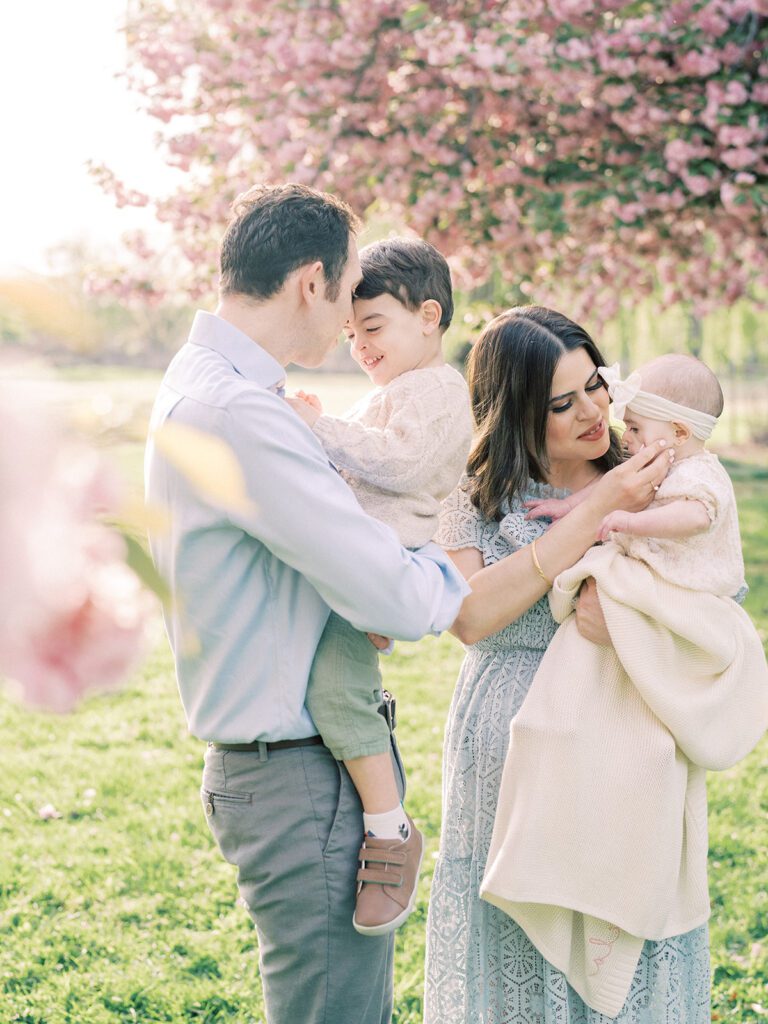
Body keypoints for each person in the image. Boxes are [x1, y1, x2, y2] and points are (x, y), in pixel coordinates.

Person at [144, 183, 470, 1024]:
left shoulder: (198, 382)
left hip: (275, 761)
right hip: (296, 772)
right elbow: (391, 596)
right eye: (348, 294)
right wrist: (454, 566)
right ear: (309, 284)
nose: (347, 326)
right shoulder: (242, 412)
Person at [423, 306, 712, 1024]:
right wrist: (598, 508)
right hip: (513, 737)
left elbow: (714, 593)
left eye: (596, 386)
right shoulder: (473, 497)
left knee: (626, 941)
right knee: (521, 944)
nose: (593, 413)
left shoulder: (658, 474)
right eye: (561, 402)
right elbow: (471, 615)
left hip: (625, 731)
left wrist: (632, 616)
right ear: (516, 410)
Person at [480, 352, 768, 1016]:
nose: (617, 429)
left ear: (678, 432)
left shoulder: (699, 477)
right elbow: (602, 499)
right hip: (619, 590)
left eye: (633, 423)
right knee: (556, 715)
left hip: (676, 589)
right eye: (565, 402)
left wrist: (626, 524)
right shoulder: (654, 462)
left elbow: (689, 519)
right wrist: (571, 507)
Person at [285, 237, 473, 936]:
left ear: (429, 316)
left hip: (381, 561)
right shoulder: (396, 390)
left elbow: (400, 464)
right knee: (332, 683)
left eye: (372, 328)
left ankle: (390, 831)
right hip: (360, 561)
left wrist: (321, 427)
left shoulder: (436, 389)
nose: (359, 347)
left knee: (337, 689)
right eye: (349, 333)